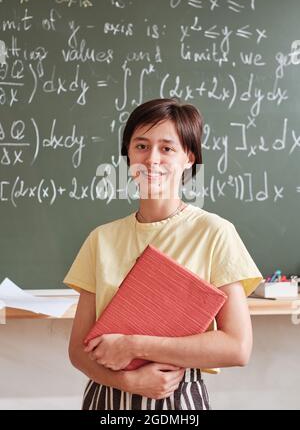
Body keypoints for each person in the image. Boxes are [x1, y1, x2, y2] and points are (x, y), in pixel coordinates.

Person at [64, 98, 262, 410]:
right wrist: (127, 381)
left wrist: (134, 345)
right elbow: (78, 350)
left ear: (189, 158)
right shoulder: (100, 240)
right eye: (141, 146)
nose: (151, 159)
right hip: (106, 397)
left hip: (178, 398)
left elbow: (237, 347)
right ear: (128, 154)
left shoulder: (214, 233)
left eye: (167, 148)